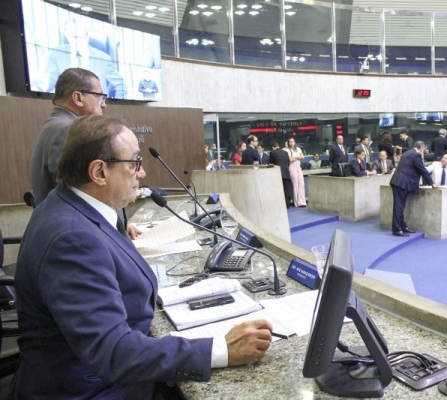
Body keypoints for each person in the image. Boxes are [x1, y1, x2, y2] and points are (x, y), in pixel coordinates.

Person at [11, 115, 273, 398]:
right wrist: (221, 348)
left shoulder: (75, 206)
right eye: (134, 163)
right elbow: (114, 353)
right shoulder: (73, 238)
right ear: (99, 172)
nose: (142, 173)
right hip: (91, 390)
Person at [29, 67, 142, 240]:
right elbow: (84, 191)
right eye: (99, 96)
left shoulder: (56, 125)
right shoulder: (69, 131)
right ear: (78, 98)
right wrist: (114, 228)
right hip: (82, 237)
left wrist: (121, 223)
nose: (104, 104)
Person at [47, 19, 127, 99]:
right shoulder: (57, 54)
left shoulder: (103, 58)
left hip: (95, 108)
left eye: (80, 37)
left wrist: (113, 106)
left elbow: (121, 86)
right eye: (73, 36)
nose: (76, 41)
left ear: (87, 36)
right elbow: (48, 83)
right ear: (66, 35)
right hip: (67, 107)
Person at [389, 141, 436, 237]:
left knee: (400, 206)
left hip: (399, 182)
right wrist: (432, 183)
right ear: (421, 148)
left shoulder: (408, 152)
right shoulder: (416, 155)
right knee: (399, 207)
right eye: (424, 149)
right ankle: (397, 229)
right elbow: (422, 169)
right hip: (402, 183)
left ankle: (403, 227)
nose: (424, 151)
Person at [284, 137, 307, 207]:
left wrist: (295, 157)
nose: (291, 143)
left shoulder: (298, 149)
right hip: (292, 167)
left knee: (301, 184)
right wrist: (298, 157)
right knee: (295, 184)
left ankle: (302, 201)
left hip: (298, 167)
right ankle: (296, 202)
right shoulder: (286, 150)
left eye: (293, 141)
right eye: (290, 142)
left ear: (295, 142)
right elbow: (290, 159)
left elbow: (303, 157)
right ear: (288, 143)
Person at [270, 141, 293, 208]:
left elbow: (271, 164)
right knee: (286, 190)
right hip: (286, 173)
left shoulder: (272, 152)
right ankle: (287, 204)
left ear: (273, 147)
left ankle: (280, 205)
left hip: (277, 174)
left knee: (279, 190)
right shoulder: (285, 153)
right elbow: (288, 163)